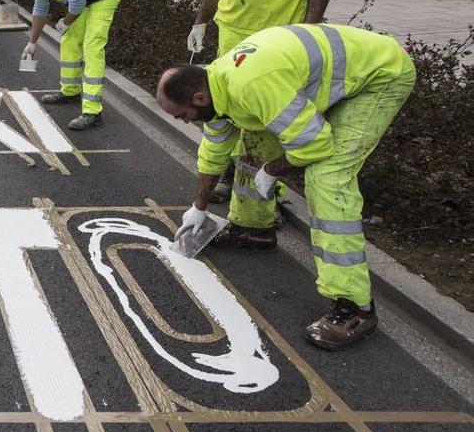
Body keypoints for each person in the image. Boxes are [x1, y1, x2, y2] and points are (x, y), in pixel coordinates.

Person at [156, 24, 414, 349]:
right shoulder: (217, 89)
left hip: (379, 78)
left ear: (198, 97)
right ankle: (254, 229)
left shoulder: (252, 84)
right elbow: (214, 151)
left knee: (327, 179)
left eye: (183, 115)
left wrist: (272, 169)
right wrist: (199, 207)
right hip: (331, 78)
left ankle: (354, 308)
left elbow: (314, 145)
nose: (184, 121)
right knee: (253, 137)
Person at [189, 0, 335, 229]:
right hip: (232, 36)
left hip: (279, 40)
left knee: (271, 120)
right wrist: (201, 21)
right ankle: (234, 174)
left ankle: (266, 189)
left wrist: (311, 28)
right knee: (227, 112)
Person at [10, 0, 125, 130]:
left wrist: (66, 21)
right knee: (70, 40)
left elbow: (77, 1)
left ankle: (92, 112)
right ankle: (70, 92)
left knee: (92, 46)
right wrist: (32, 42)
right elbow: (40, 7)